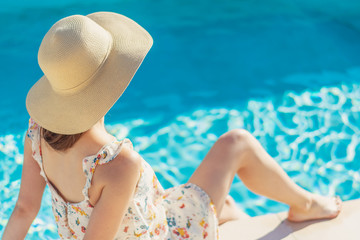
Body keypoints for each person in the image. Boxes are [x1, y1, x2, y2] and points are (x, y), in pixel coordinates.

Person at [3, 11, 342, 240]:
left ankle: (232, 219)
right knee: (235, 143)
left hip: (146, 216)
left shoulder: (36, 134)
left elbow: (23, 210)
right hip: (164, 233)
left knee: (224, 206)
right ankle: (307, 206)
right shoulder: (116, 163)